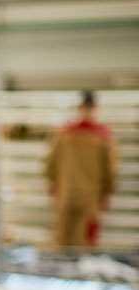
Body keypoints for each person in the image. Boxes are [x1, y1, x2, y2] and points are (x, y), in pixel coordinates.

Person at [45, 90, 117, 247]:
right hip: (89, 195)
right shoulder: (103, 135)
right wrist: (107, 192)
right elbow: (109, 168)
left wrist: (52, 185)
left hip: (67, 192)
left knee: (64, 237)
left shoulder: (64, 132)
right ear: (96, 108)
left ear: (79, 107)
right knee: (84, 240)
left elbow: (51, 162)